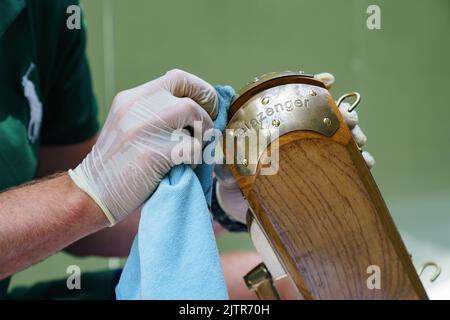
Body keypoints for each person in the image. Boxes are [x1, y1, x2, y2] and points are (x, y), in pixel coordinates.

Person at [0, 0, 372, 300]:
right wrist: (84, 191)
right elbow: (82, 200)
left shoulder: (45, 10)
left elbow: (82, 227)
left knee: (287, 288)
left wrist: (222, 204)